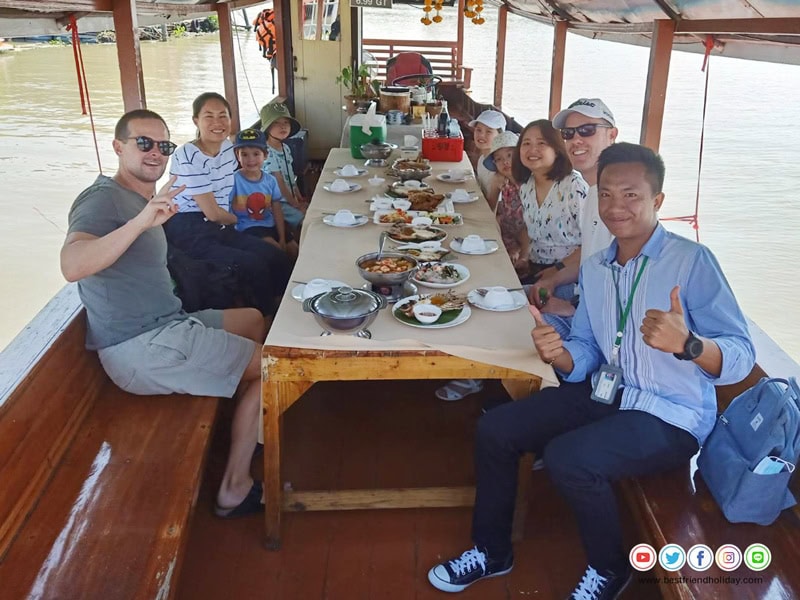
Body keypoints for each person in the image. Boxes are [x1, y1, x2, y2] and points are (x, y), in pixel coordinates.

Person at [427, 142, 756, 599]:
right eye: (606, 194)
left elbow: (739, 356)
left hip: (671, 415)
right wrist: (557, 353)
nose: (616, 207)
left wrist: (690, 344)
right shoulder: (598, 269)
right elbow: (583, 352)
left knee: (568, 458)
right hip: (610, 393)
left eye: (631, 195)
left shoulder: (692, 262)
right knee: (496, 429)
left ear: (657, 201)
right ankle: (492, 551)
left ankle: (609, 569)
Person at [61, 109, 268, 519]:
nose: (156, 153)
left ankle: (245, 424)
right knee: (274, 368)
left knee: (254, 319)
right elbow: (72, 265)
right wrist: (140, 222)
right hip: (140, 348)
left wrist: (147, 215)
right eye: (144, 143)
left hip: (168, 324)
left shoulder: (142, 195)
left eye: (164, 146)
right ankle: (233, 486)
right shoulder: (101, 199)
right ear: (118, 147)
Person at [166, 92, 290, 316]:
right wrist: (235, 219)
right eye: (209, 116)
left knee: (276, 256)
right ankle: (266, 317)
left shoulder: (226, 148)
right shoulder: (186, 155)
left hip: (220, 224)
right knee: (252, 264)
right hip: (189, 228)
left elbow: (228, 195)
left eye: (223, 116)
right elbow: (213, 213)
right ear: (196, 121)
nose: (217, 123)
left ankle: (282, 306)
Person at [434, 131, 523, 403]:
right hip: (504, 241)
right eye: (499, 159)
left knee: (480, 283)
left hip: (522, 252)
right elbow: (493, 213)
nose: (505, 162)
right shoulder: (502, 182)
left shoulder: (529, 185)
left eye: (510, 155)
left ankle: (477, 370)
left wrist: (521, 252)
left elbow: (528, 228)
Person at [531, 98, 619, 331]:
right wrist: (552, 279)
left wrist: (571, 309)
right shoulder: (592, 194)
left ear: (612, 135)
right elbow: (590, 258)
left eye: (587, 130)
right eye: (568, 133)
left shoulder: (619, 207)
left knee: (510, 323)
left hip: (595, 324)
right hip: (579, 297)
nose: (576, 139)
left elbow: (626, 291)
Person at [514, 119, 588, 287]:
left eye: (541, 143)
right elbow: (529, 229)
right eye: (526, 143)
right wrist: (524, 257)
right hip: (535, 269)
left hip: (569, 275)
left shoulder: (574, 186)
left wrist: (558, 269)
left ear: (557, 149)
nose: (532, 150)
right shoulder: (527, 186)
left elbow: (592, 241)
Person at [230, 128, 298, 261]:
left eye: (256, 154)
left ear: (265, 156)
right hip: (248, 227)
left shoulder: (270, 180)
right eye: (244, 154)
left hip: (270, 223)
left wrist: (282, 237)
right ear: (237, 156)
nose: (251, 160)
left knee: (293, 249)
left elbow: (276, 208)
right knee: (275, 249)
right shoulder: (234, 180)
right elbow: (229, 207)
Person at [260, 102, 307, 234]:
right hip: (275, 203)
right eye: (276, 123)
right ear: (267, 128)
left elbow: (291, 176)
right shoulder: (266, 152)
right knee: (305, 220)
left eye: (286, 122)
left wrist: (299, 197)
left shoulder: (285, 148)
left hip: (289, 199)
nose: (282, 126)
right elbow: (278, 181)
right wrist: (294, 204)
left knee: (311, 210)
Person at [468, 110, 505, 205]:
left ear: (500, 136)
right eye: (478, 130)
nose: (481, 135)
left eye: (488, 131)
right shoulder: (482, 159)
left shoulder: (499, 167)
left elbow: (497, 205)